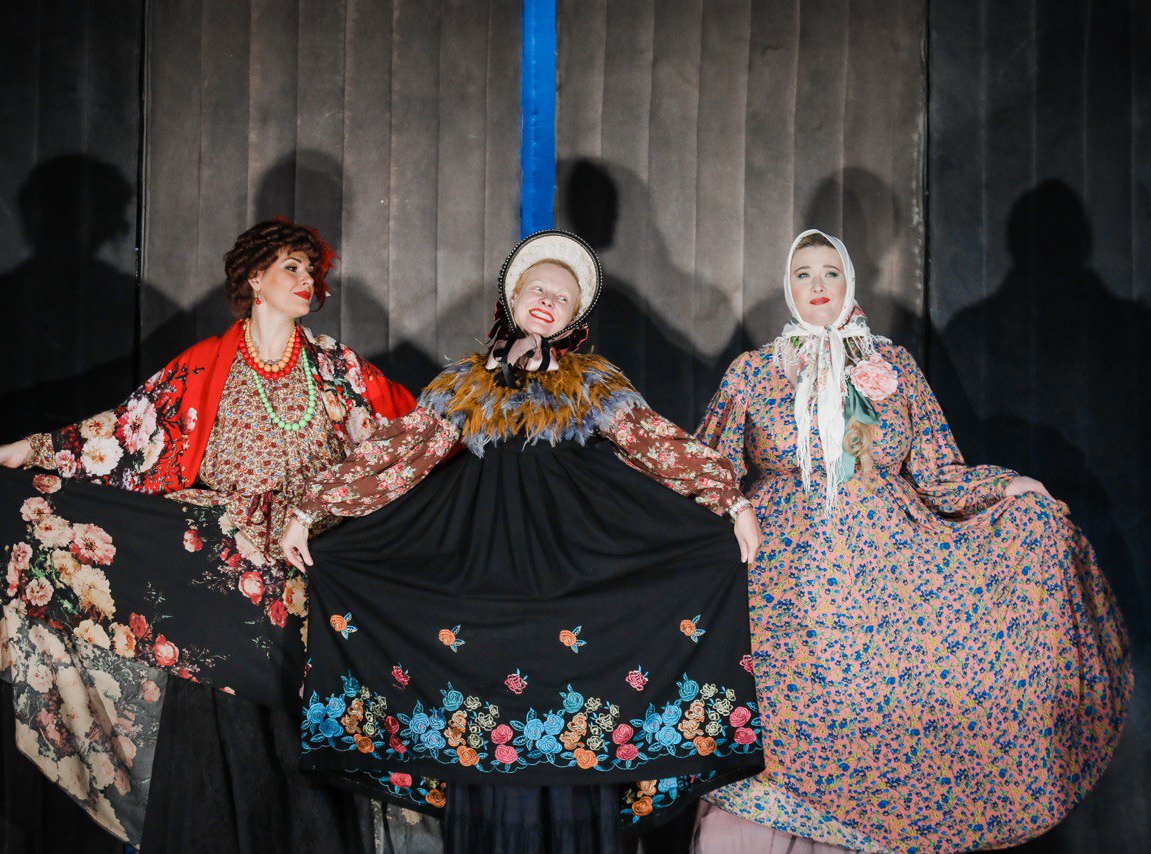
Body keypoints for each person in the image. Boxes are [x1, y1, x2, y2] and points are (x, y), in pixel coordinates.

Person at [281, 230, 765, 852]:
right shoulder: (463, 386)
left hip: (576, 582)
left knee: (578, 725)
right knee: (487, 731)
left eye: (561, 297)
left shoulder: (595, 384)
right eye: (538, 288)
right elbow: (398, 455)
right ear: (512, 298)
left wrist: (731, 502)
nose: (546, 301)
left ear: (574, 318)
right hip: (483, 584)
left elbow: (657, 443)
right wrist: (312, 509)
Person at [0, 219, 422, 850]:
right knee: (221, 726)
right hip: (222, 580)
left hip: (310, 570)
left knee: (304, 724)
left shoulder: (336, 366)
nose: (306, 280)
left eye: (311, 271)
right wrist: (30, 450)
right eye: (290, 267)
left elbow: (410, 434)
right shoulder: (207, 364)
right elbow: (126, 434)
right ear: (255, 277)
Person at [691, 229, 1132, 853]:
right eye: (803, 274)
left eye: (830, 272)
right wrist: (728, 513)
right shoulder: (756, 372)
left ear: (850, 281)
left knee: (887, 716)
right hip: (787, 579)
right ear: (787, 286)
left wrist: (1006, 487)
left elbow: (936, 469)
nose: (818, 286)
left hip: (890, 572)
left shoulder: (892, 366)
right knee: (796, 721)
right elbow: (707, 466)